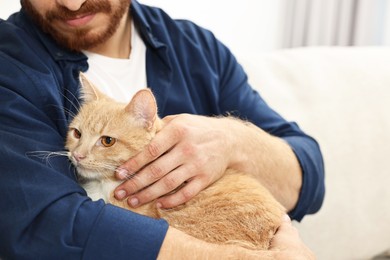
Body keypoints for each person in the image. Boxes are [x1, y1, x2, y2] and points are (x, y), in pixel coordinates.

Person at [0, 0, 324, 259]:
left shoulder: (197, 47)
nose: (72, 4)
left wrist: (233, 141)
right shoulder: (9, 63)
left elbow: (309, 177)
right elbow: (42, 225)